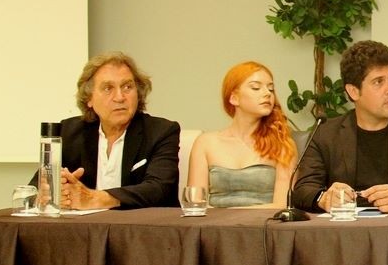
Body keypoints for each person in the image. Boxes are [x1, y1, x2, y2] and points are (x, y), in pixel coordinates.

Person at [292, 41, 388, 214]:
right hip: (344, 227)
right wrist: (324, 198)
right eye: (379, 81)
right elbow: (303, 189)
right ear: (353, 91)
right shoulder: (325, 133)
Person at [30, 51, 181, 209]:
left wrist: (94, 198)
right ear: (89, 98)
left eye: (127, 87)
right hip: (84, 224)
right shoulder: (69, 132)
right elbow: (35, 187)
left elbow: (158, 189)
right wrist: (48, 194)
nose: (120, 97)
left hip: (142, 224)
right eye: (108, 88)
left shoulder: (161, 132)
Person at [185, 61, 296, 208]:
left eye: (271, 89)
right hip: (214, 222)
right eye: (256, 87)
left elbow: (282, 205)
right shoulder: (205, 143)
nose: (267, 93)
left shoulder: (282, 144)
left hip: (264, 222)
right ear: (234, 98)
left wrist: (230, 215)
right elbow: (195, 204)